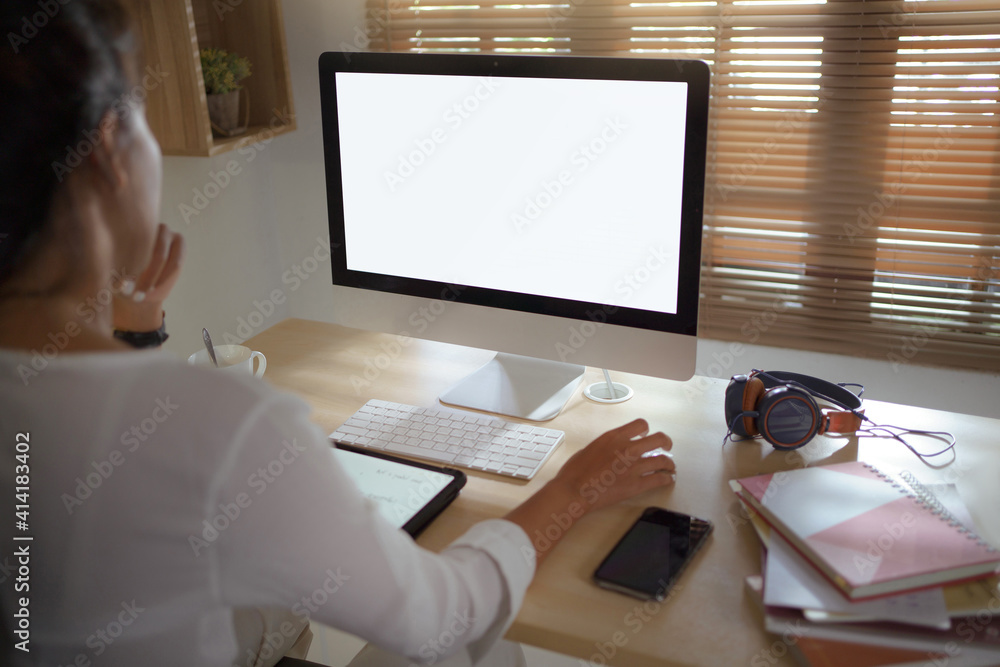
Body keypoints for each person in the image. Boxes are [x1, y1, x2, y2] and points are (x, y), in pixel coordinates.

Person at [0, 2, 677, 665]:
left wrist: (132, 338)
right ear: (109, 151)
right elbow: (441, 619)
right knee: (487, 648)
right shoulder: (212, 423)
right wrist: (573, 489)